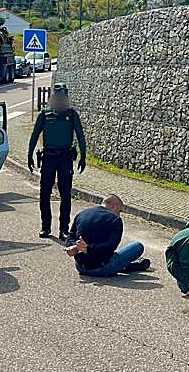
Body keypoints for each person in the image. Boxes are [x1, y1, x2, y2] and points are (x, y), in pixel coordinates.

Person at [27, 82, 87, 240]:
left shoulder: (72, 115)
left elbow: (80, 135)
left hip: (65, 158)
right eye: (57, 97)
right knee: (45, 193)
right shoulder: (45, 114)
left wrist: (83, 155)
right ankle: (45, 226)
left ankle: (64, 229)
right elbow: (34, 134)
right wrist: (29, 154)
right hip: (48, 157)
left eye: (63, 98)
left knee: (65, 194)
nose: (60, 100)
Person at [65, 195, 150, 277]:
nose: (119, 214)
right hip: (103, 267)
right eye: (119, 211)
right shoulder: (115, 220)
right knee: (138, 246)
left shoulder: (82, 214)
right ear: (113, 207)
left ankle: (124, 265)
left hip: (80, 267)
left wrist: (75, 246)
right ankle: (123, 265)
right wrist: (87, 249)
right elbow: (109, 247)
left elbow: (69, 237)